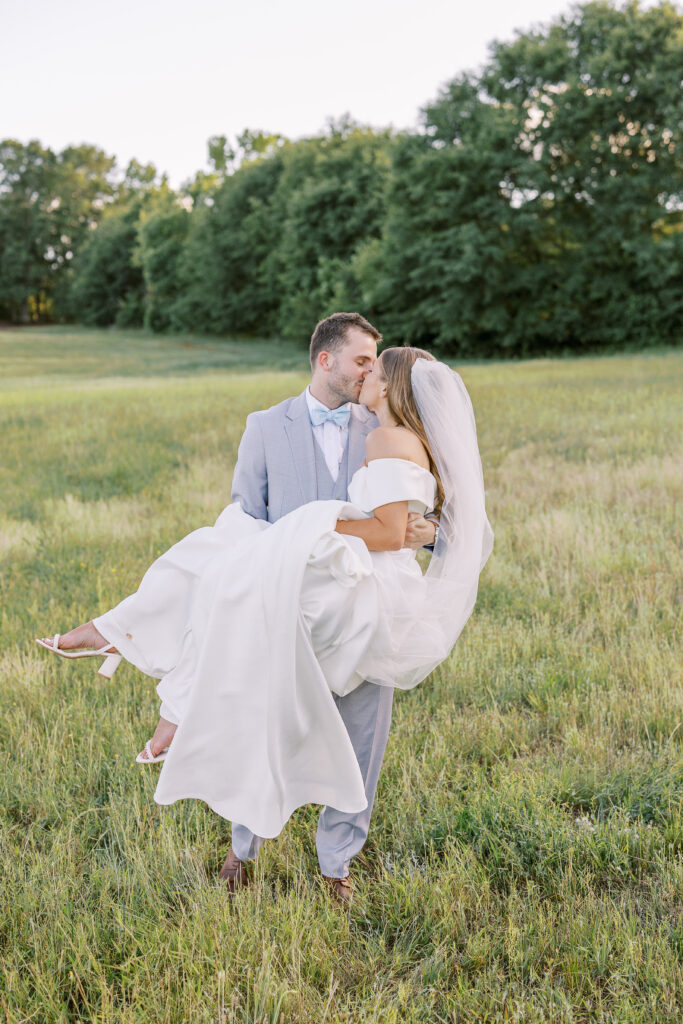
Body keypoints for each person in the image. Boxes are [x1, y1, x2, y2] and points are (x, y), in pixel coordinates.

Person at [36, 318, 493, 905]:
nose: (367, 371)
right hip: (285, 598)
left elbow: (420, 518)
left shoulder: (388, 425)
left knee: (361, 739)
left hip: (365, 601)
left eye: (374, 363)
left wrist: (415, 531)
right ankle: (242, 847)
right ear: (325, 360)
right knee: (260, 722)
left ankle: (337, 865)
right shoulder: (263, 427)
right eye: (360, 360)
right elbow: (244, 515)